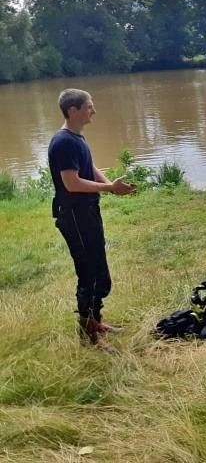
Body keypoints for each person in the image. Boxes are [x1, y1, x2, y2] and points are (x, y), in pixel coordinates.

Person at [48, 89, 135, 349]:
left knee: (99, 271)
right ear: (73, 111)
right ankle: (88, 336)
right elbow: (72, 183)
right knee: (89, 273)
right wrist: (110, 189)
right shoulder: (63, 142)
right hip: (74, 215)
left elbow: (90, 166)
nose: (93, 111)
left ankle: (95, 321)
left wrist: (112, 185)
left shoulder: (76, 138)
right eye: (89, 107)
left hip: (87, 212)